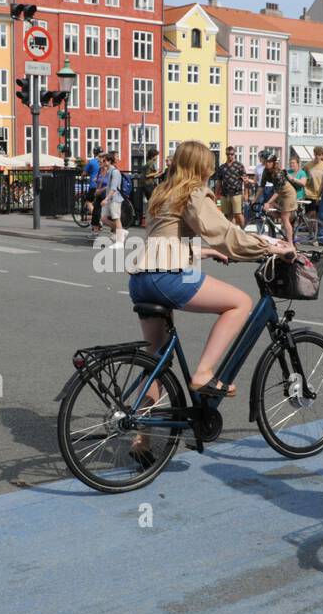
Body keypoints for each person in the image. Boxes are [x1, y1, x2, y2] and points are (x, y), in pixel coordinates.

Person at [127, 139, 294, 412]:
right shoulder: (193, 193)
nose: (211, 171)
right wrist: (270, 247)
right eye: (209, 166)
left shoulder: (162, 191)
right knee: (240, 303)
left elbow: (166, 239)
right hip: (166, 278)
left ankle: (141, 435)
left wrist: (205, 253)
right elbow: (225, 233)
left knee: (155, 359)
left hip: (141, 279)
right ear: (201, 167)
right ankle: (204, 373)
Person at [259, 150, 297, 243]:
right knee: (269, 211)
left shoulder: (278, 173)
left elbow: (277, 191)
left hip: (288, 194)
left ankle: (290, 243)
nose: (267, 164)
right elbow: (261, 187)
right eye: (266, 162)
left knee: (284, 218)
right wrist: (254, 200)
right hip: (280, 194)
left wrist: (268, 202)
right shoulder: (265, 171)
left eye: (269, 162)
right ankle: (277, 235)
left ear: (273, 162)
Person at [100, 151, 127, 246]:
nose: (102, 162)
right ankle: (121, 231)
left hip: (114, 199)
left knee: (116, 218)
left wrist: (106, 199)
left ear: (108, 161)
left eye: (104, 160)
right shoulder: (109, 171)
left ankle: (120, 241)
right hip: (109, 198)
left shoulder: (115, 172)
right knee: (103, 219)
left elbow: (114, 188)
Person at [216, 146, 247, 226]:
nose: (230, 156)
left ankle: (243, 232)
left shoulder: (239, 165)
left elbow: (245, 180)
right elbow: (219, 181)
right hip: (225, 194)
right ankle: (232, 233)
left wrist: (246, 193)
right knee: (227, 215)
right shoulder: (222, 167)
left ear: (234, 154)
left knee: (238, 214)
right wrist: (216, 194)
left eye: (231, 154)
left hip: (236, 193)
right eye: (228, 154)